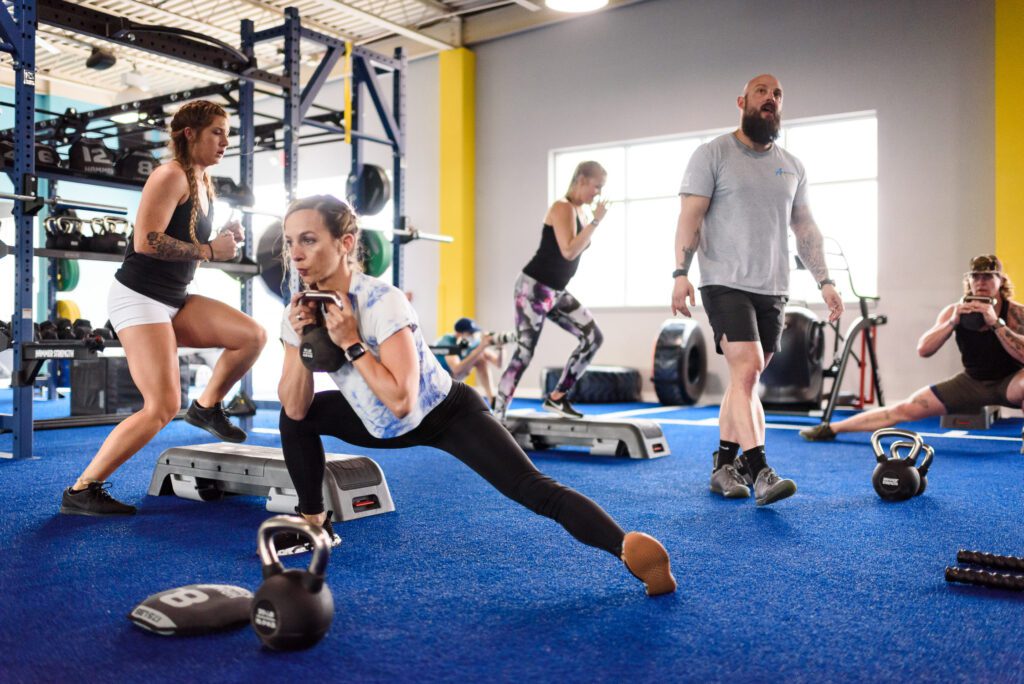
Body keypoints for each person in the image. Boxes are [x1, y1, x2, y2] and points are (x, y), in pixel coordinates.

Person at [275, 194, 675, 596]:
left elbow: (401, 401)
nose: (296, 254)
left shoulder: (383, 302)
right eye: (290, 242)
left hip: (446, 414)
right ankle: (315, 525)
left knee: (531, 488)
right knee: (297, 419)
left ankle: (627, 548)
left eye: (308, 240)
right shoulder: (301, 310)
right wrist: (302, 338)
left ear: (345, 243)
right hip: (373, 418)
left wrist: (352, 343)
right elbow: (294, 407)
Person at [59, 100, 268, 516]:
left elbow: (188, 244)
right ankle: (83, 489)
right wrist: (210, 249)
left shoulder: (204, 181)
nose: (225, 142)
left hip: (174, 298)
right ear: (189, 134)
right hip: (139, 297)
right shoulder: (169, 175)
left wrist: (221, 240)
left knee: (251, 336)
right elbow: (146, 241)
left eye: (227, 134)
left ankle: (206, 407)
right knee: (161, 406)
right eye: (217, 132)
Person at [671, 74, 844, 506]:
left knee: (745, 379)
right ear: (742, 101)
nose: (771, 98)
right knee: (747, 369)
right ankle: (760, 470)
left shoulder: (793, 166)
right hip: (724, 281)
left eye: (777, 94)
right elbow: (690, 216)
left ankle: (723, 465)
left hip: (774, 286)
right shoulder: (712, 153)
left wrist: (825, 281)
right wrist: (680, 272)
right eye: (762, 92)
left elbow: (805, 228)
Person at [801, 255, 1024, 441]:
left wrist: (996, 323)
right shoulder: (954, 311)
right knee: (906, 408)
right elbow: (923, 350)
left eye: (988, 276)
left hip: (1010, 383)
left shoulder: (1016, 313)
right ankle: (831, 428)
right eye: (976, 276)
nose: (981, 282)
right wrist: (952, 322)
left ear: (1000, 281)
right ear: (969, 280)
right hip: (971, 382)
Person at [492, 161, 608, 421]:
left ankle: (557, 397)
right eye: (597, 187)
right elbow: (568, 251)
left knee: (593, 337)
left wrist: (591, 221)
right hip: (533, 288)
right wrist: (596, 222)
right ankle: (497, 417)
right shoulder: (562, 207)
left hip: (555, 292)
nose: (598, 193)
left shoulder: (581, 212)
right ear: (581, 180)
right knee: (524, 352)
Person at [433, 317, 502, 404]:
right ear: (459, 334)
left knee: (481, 359)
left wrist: (501, 348)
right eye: (470, 333)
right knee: (477, 355)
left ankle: (492, 399)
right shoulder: (447, 342)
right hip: (440, 382)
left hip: (455, 381)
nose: (473, 336)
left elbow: (499, 364)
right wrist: (481, 346)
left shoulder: (472, 344)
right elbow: (456, 370)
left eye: (474, 333)